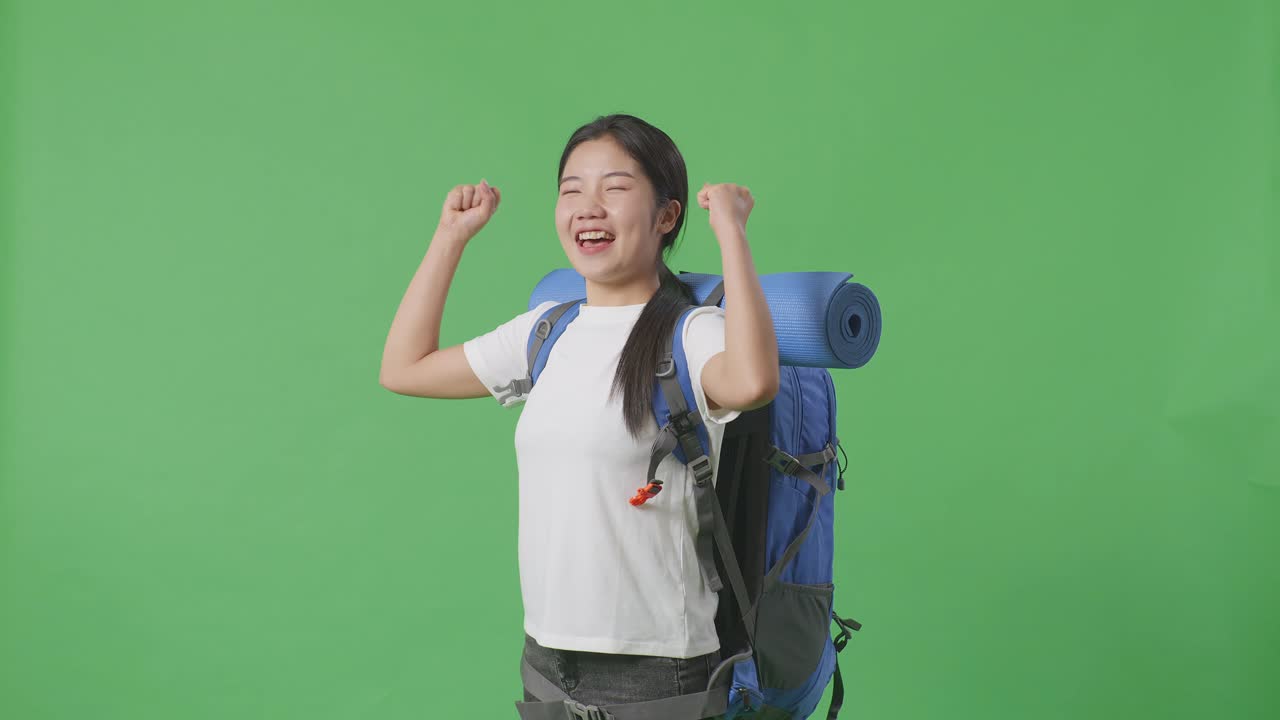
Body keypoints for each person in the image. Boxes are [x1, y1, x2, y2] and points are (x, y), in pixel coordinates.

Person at [379, 113, 779, 715]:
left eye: (615, 189)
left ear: (666, 216)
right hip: (546, 654)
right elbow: (404, 369)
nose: (588, 207)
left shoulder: (691, 332)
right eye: (572, 190)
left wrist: (731, 234)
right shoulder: (547, 332)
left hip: (654, 664)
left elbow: (751, 381)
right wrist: (450, 237)